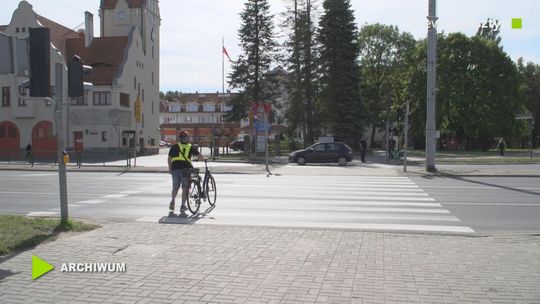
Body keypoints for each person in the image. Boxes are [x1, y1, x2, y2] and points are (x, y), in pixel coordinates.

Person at [168, 130, 205, 213]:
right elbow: (199, 155)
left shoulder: (174, 146)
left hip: (175, 169)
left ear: (179, 138)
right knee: (185, 188)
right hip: (185, 169)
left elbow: (169, 158)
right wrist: (204, 158)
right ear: (186, 138)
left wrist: (170, 169)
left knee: (175, 187)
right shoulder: (189, 146)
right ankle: (183, 206)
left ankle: (173, 201)